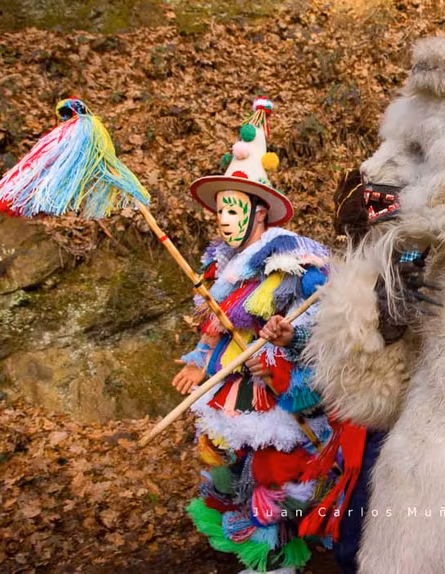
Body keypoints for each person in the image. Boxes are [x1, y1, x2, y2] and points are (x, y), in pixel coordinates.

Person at [171, 98, 334, 574]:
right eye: (219, 208)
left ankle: (282, 553)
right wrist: (199, 358)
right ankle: (249, 539)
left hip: (278, 382)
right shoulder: (218, 261)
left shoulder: (290, 257)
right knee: (231, 461)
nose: (222, 218)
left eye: (233, 208)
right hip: (230, 378)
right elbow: (213, 321)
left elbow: (318, 317)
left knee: (276, 470)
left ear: (260, 212)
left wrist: (284, 342)